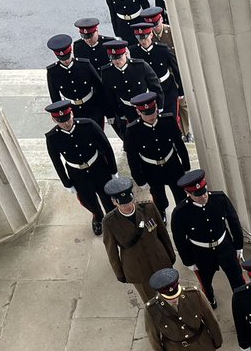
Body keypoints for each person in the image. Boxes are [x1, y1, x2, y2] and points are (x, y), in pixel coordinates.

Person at [171, 169, 245, 309]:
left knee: (237, 277)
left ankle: (243, 300)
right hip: (201, 253)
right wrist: (188, 261)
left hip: (225, 247)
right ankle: (210, 299)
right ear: (188, 193)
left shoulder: (220, 199)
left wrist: (238, 246)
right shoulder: (181, 213)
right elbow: (179, 239)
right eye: (198, 195)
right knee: (206, 282)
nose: (203, 196)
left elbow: (234, 222)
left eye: (204, 191)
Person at [43, 100, 117, 236]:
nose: (66, 123)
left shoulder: (88, 125)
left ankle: (113, 219)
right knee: (88, 199)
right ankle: (98, 217)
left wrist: (113, 170)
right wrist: (67, 183)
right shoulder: (52, 137)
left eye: (67, 118)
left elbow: (106, 147)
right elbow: (56, 162)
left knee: (108, 197)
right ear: (54, 120)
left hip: (98, 167)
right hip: (77, 174)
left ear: (71, 114)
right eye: (61, 121)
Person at [145, 268, 222, 351]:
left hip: (201, 343)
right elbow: (153, 336)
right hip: (176, 349)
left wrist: (217, 339)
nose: (174, 300)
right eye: (170, 298)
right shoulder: (151, 309)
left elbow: (210, 319)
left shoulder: (195, 295)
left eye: (176, 296)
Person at [101, 176, 176, 301]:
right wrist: (120, 274)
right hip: (137, 268)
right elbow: (111, 251)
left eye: (130, 202)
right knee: (151, 301)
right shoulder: (109, 222)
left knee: (170, 293)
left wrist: (170, 254)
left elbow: (163, 234)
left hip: (159, 260)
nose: (128, 206)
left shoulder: (149, 208)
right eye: (124, 204)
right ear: (115, 202)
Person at [122, 91, 190, 216]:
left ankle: (184, 214)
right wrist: (140, 180)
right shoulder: (133, 131)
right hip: (151, 169)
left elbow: (179, 144)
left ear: (156, 108)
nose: (151, 116)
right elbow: (132, 158)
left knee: (180, 194)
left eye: (153, 111)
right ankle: (162, 213)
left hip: (172, 165)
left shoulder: (168, 120)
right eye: (146, 114)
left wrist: (186, 166)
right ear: (138, 112)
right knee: (159, 197)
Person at [140, 4, 191, 140]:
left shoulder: (171, 32)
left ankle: (186, 131)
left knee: (182, 104)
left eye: (155, 24)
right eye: (150, 26)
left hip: (175, 70)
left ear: (161, 20)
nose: (153, 28)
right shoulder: (148, 37)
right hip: (159, 74)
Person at [98, 39, 163, 140]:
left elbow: (155, 87)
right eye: (113, 58)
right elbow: (110, 95)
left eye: (119, 57)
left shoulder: (140, 65)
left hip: (146, 107)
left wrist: (159, 106)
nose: (116, 61)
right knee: (136, 136)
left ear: (125, 53)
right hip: (127, 109)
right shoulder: (107, 72)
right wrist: (119, 113)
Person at [45, 34, 106, 130]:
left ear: (71, 50)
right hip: (72, 112)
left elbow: (99, 87)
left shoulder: (84, 65)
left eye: (67, 56)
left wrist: (107, 111)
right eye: (62, 58)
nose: (65, 60)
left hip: (92, 107)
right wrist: (61, 117)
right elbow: (55, 96)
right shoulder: (53, 72)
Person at [130, 21, 181, 128]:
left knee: (172, 119)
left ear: (151, 35)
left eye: (145, 37)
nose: (143, 41)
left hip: (168, 88)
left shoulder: (162, 49)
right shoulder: (134, 52)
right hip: (150, 92)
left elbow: (175, 68)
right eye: (140, 38)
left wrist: (180, 90)